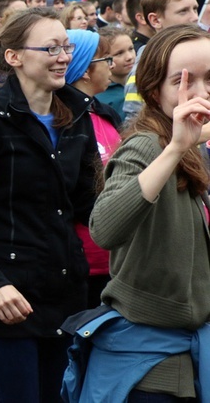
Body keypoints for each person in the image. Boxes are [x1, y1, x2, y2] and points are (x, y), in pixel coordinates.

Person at [0, 8, 98, 402]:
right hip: (7, 300)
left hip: (65, 291)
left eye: (66, 47)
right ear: (14, 57)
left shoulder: (77, 116)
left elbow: (88, 204)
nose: (64, 57)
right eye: (51, 48)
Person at [65, 24, 210, 401]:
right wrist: (175, 150)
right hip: (150, 367)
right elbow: (105, 228)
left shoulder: (198, 147)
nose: (202, 91)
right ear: (153, 88)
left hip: (192, 354)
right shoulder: (148, 147)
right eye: (184, 81)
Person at [63, 29, 122, 309]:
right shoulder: (62, 121)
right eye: (106, 59)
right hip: (81, 261)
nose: (112, 65)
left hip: (119, 259)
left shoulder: (105, 113)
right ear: (86, 70)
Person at [95, 26, 135, 120]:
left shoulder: (142, 82)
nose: (129, 57)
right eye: (119, 53)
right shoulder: (101, 95)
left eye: (131, 49)